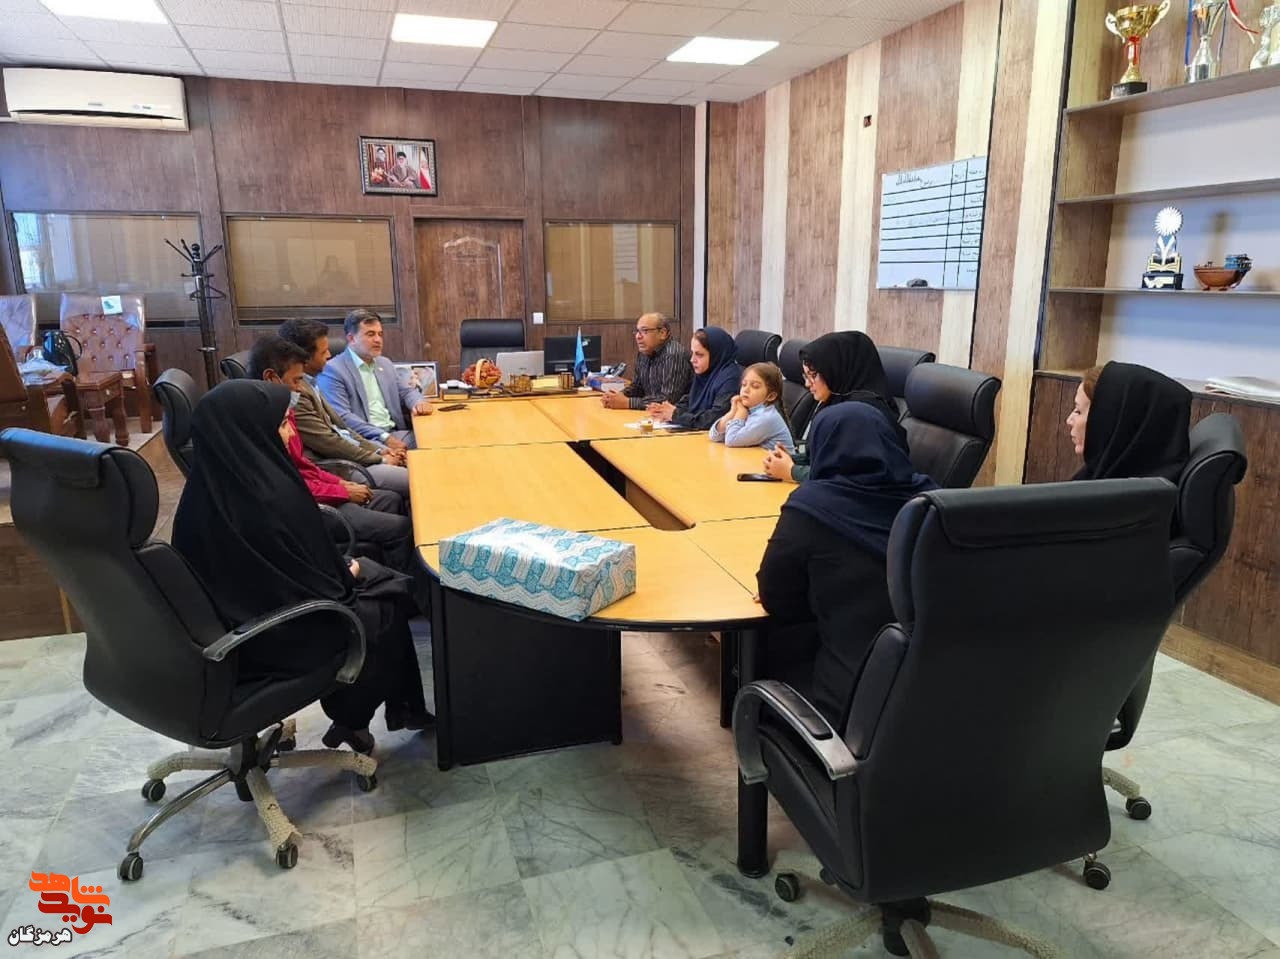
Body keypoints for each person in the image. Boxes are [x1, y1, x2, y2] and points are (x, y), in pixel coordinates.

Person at [173, 380, 430, 755]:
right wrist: (347, 573)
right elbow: (318, 584)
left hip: (232, 622)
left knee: (381, 578)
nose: (291, 433)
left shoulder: (205, 489)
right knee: (387, 599)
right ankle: (355, 717)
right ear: (250, 432)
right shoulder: (270, 495)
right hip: (275, 635)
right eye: (281, 424)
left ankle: (399, 711)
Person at [756, 402, 937, 727]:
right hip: (935, 694)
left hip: (844, 708)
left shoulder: (810, 507)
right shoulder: (931, 501)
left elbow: (776, 597)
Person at [248, 335, 416, 576]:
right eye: (296, 380)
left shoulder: (284, 411)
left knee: (391, 500)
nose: (299, 387)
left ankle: (387, 572)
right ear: (271, 378)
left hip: (324, 488)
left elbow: (303, 465)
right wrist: (342, 491)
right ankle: (398, 584)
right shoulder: (263, 423)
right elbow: (289, 486)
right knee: (403, 526)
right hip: (312, 509)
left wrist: (340, 484)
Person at [277, 318, 410, 500]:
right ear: (304, 358)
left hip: (357, 455)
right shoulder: (296, 392)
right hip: (340, 466)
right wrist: (380, 458)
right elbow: (328, 442)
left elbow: (342, 429)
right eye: (324, 351)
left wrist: (379, 450)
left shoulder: (311, 382)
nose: (329, 355)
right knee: (418, 479)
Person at [762, 331, 902, 482]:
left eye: (813, 375)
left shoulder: (861, 414)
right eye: (805, 376)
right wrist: (792, 458)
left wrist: (792, 471)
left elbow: (846, 478)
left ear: (836, 370)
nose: (807, 383)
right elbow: (822, 456)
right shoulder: (835, 400)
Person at [316, 308, 432, 450]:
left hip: (395, 432)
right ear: (351, 338)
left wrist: (419, 402)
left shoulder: (385, 363)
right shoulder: (333, 370)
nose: (378, 340)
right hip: (364, 440)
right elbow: (342, 417)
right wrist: (384, 437)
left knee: (437, 438)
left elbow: (406, 391)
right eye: (370, 334)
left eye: (380, 334)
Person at [1068, 361, 1192, 482]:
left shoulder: (1119, 493)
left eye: (1078, 411)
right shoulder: (1103, 476)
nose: (1069, 420)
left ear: (1109, 423)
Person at [648, 326, 741, 431]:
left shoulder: (731, 379)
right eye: (693, 353)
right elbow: (690, 401)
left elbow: (715, 419)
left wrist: (676, 415)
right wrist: (665, 411)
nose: (692, 360)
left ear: (716, 354)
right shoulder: (706, 373)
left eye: (699, 355)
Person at [601, 312, 692, 411]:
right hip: (651, 414)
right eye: (637, 331)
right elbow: (637, 387)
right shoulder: (644, 352)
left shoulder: (674, 355)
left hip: (676, 416)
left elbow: (668, 400)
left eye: (644, 331)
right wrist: (616, 396)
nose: (638, 336)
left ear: (662, 333)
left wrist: (628, 403)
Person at [709, 361, 794, 452]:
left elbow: (731, 440)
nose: (746, 390)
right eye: (744, 384)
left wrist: (740, 414)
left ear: (771, 396)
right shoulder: (749, 409)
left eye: (755, 386)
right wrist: (732, 412)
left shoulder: (766, 418)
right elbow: (714, 436)